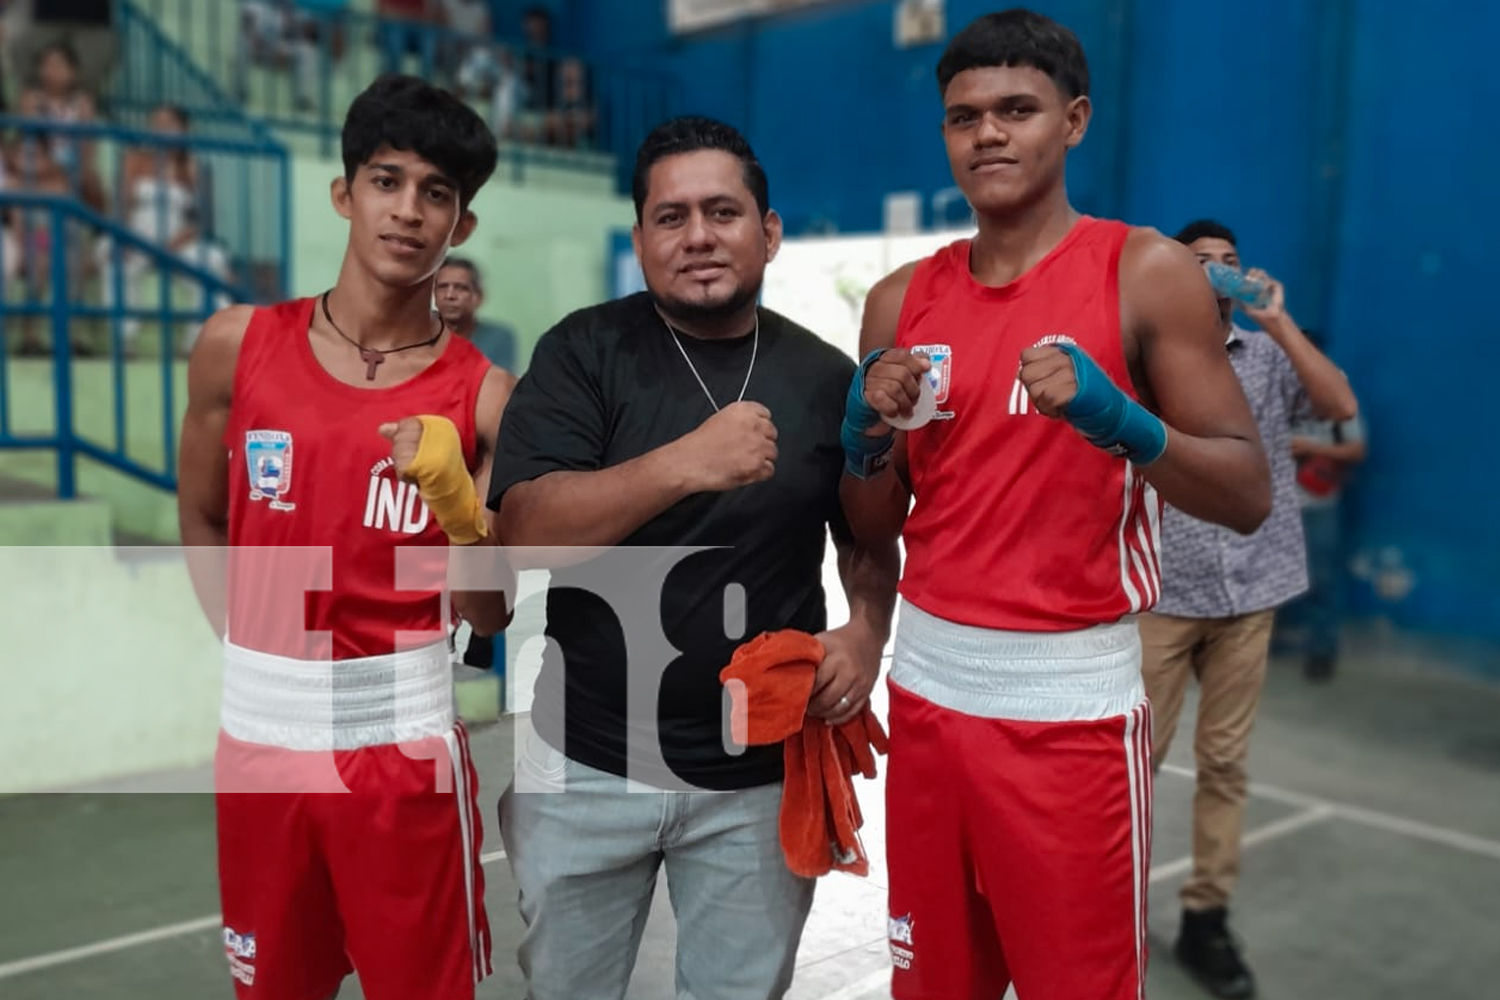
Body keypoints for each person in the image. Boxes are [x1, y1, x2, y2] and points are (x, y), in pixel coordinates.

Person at [838, 10, 1274, 1000]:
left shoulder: (1146, 272)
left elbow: (1248, 491)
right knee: (932, 987)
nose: (987, 133)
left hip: (1068, 721)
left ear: (1073, 120)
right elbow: (870, 528)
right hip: (930, 706)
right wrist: (864, 432)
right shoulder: (901, 298)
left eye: (1016, 109)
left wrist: (1127, 423)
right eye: (964, 116)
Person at [486, 115, 898, 1000]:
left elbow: (865, 536)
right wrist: (684, 463)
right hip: (586, 763)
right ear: (640, 240)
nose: (699, 236)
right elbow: (523, 533)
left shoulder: (826, 379)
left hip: (759, 774)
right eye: (671, 218)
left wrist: (866, 630)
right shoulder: (582, 353)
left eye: (723, 211)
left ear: (769, 231)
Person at [176, 74, 514, 1000]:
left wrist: (455, 503)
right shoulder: (235, 345)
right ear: (344, 194)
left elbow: (489, 608)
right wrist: (253, 651)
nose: (408, 211)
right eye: (386, 180)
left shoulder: (485, 397)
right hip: (259, 739)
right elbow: (203, 513)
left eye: (436, 194)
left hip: (399, 748)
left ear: (461, 228)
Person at [1139, 219, 1358, 998]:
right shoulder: (1147, 361)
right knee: (1135, 767)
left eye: (1230, 263)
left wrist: (1277, 318)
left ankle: (1207, 918)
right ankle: (1113, 910)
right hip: (1164, 595)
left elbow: (1337, 406)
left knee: (1227, 764)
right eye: (1201, 264)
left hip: (1252, 590)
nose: (1219, 273)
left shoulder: (1265, 354)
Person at [1272, 329, 1367, 682]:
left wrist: (1311, 448)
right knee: (1262, 579)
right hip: (1272, 503)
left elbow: (1356, 451)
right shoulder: (1270, 391)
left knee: (1321, 581)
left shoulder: (1336, 394)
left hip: (1317, 503)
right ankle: (1261, 648)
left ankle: (1321, 651)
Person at [435, 256, 519, 372]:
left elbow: (500, 385)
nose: (450, 295)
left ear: (478, 297)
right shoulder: (418, 336)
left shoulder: (498, 337)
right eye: (442, 287)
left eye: (461, 288)